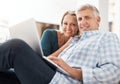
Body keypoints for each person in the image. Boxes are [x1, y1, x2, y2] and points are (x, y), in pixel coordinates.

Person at [0, 4, 120, 84]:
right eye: (80, 19)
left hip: (62, 80)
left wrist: (73, 71)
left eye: (87, 18)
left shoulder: (107, 37)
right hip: (52, 74)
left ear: (98, 20)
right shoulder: (75, 40)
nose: (82, 22)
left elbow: (114, 73)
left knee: (15, 47)